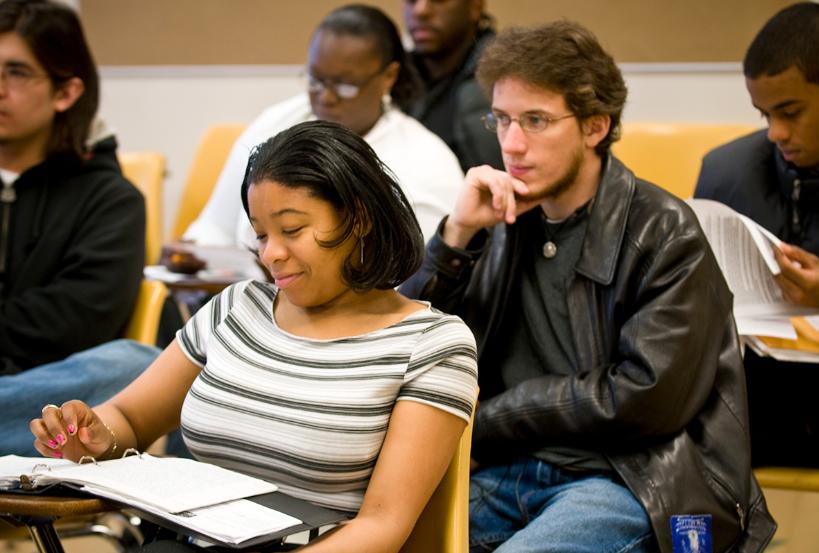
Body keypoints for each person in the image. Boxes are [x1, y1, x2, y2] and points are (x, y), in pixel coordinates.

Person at [400, 20, 776, 553]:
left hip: (630, 480)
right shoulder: (500, 219)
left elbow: (645, 399)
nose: (511, 143)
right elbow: (405, 340)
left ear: (595, 126)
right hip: (510, 473)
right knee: (381, 536)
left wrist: (491, 421)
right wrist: (457, 237)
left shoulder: (663, 230)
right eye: (502, 119)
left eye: (535, 121)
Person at [31, 120, 480, 553]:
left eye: (292, 230)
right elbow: (129, 417)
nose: (272, 254)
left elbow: (384, 526)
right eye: (262, 234)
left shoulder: (431, 345)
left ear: (358, 218)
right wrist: (93, 436)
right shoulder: (238, 307)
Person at [0, 0, 157, 456]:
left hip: (41, 395)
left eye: (16, 72)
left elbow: (77, 320)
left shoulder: (111, 200)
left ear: (66, 92)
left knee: (134, 364)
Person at [184, 3, 463, 248]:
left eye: (345, 85)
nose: (326, 98)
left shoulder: (427, 163)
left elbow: (418, 280)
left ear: (389, 76)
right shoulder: (275, 124)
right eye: (315, 80)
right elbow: (215, 229)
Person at [695, 2, 819, 468]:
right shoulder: (727, 171)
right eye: (763, 115)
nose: (776, 132)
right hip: (757, 402)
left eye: (791, 113)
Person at [403, 0, 502, 171]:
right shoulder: (394, 75)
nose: (420, 11)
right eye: (411, 1)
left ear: (475, 7)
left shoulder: (505, 77)